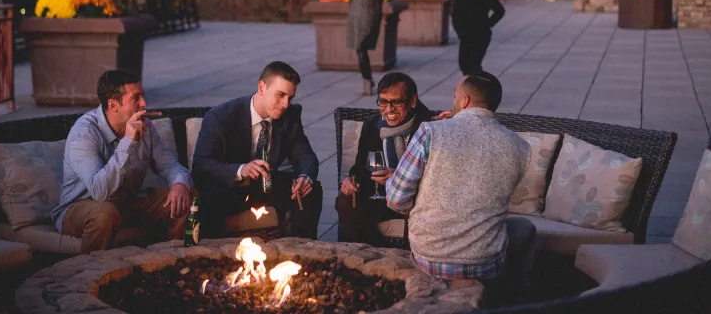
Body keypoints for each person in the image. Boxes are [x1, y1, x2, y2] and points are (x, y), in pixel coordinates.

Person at [385, 72, 535, 305]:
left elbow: (395, 198)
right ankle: (515, 300)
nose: (453, 101)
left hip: (430, 256)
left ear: (464, 101)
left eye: (455, 96)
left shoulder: (430, 132)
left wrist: (421, 210)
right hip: (485, 261)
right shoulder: (521, 147)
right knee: (525, 229)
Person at [51, 70, 193, 254]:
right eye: (136, 98)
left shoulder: (146, 126)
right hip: (81, 206)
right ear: (113, 105)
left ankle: (172, 264)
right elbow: (100, 192)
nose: (144, 104)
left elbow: (171, 166)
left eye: (142, 96)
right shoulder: (84, 134)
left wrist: (180, 184)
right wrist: (128, 142)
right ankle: (92, 274)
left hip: (126, 201)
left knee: (183, 197)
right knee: (104, 213)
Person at [192, 61, 322, 238]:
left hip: (266, 186)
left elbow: (305, 156)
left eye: (290, 98)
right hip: (230, 188)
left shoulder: (290, 115)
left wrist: (305, 177)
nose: (285, 104)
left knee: (311, 191)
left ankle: (301, 253)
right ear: (262, 87)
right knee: (209, 198)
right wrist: (240, 170)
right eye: (280, 95)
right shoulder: (221, 116)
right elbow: (201, 163)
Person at [335, 72, 434, 245]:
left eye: (396, 102)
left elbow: (436, 178)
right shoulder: (373, 125)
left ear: (413, 101)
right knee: (345, 201)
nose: (388, 110)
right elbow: (360, 168)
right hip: (380, 199)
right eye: (383, 102)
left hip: (413, 201)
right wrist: (351, 181)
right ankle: (365, 255)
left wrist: (398, 177)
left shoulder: (427, 128)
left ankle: (370, 252)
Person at [346, 0, 387, 95]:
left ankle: (367, 80)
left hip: (360, 19)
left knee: (360, 49)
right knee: (362, 49)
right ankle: (368, 80)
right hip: (372, 18)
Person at [452, 0, 505, 76]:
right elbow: (500, 11)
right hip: (479, 33)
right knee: (472, 63)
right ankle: (475, 86)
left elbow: (455, 16)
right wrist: (489, 23)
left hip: (471, 32)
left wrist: (460, 30)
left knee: (468, 64)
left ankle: (476, 87)